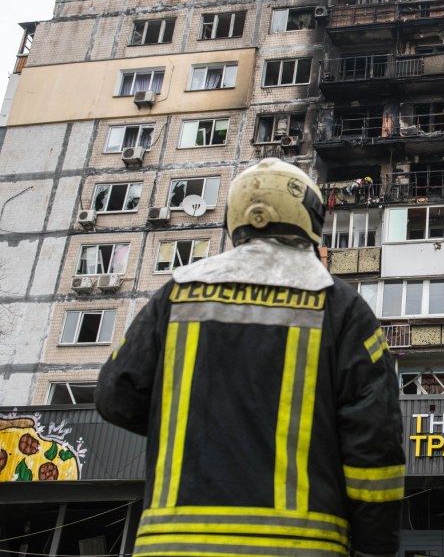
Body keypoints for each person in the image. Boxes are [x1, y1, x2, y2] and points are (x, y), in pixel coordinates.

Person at [96, 158, 405, 557]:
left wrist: (200, 428)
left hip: (170, 545)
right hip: (300, 546)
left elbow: (114, 396)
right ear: (311, 218)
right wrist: (375, 550)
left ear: (234, 217)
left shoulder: (176, 294)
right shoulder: (340, 306)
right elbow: (376, 448)